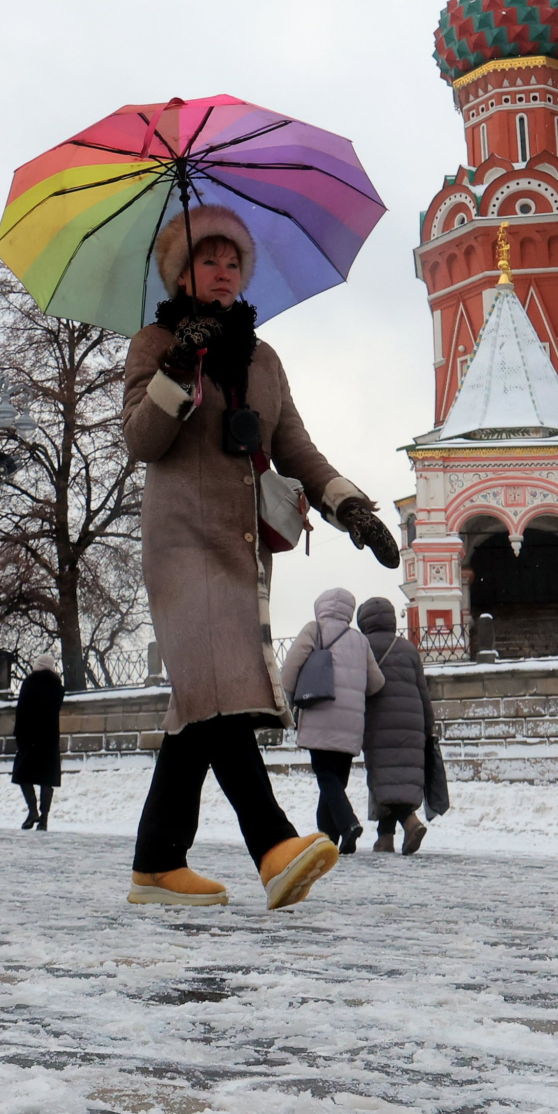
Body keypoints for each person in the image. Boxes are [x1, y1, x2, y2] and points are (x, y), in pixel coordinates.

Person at [120, 208, 400, 909]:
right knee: (220, 692)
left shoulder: (264, 359)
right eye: (207, 260)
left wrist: (349, 507)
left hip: (242, 551)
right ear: (179, 273)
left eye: (232, 262)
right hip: (181, 544)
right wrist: (177, 368)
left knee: (200, 704)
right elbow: (142, 441)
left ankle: (157, 863)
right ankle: (273, 845)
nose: (223, 273)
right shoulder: (155, 343)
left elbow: (295, 447)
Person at [280, 587, 383, 854]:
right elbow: (376, 683)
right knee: (336, 781)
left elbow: (290, 669)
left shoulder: (314, 630)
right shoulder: (359, 640)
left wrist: (285, 703)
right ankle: (330, 840)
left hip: (319, 714)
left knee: (326, 777)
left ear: (321, 607)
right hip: (351, 724)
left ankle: (348, 824)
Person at [354, 596, 436, 854]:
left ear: (364, 621)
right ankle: (385, 838)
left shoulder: (363, 647)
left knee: (383, 780)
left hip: (378, 723)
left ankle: (410, 823)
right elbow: (423, 691)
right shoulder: (408, 649)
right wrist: (429, 726)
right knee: (397, 780)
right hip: (411, 722)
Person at [11, 654, 66, 830]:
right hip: (49, 738)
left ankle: (32, 810)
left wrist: (19, 735)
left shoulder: (30, 683)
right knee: (46, 779)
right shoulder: (58, 687)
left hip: (30, 736)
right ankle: (44, 819)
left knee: (21, 774)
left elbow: (21, 710)